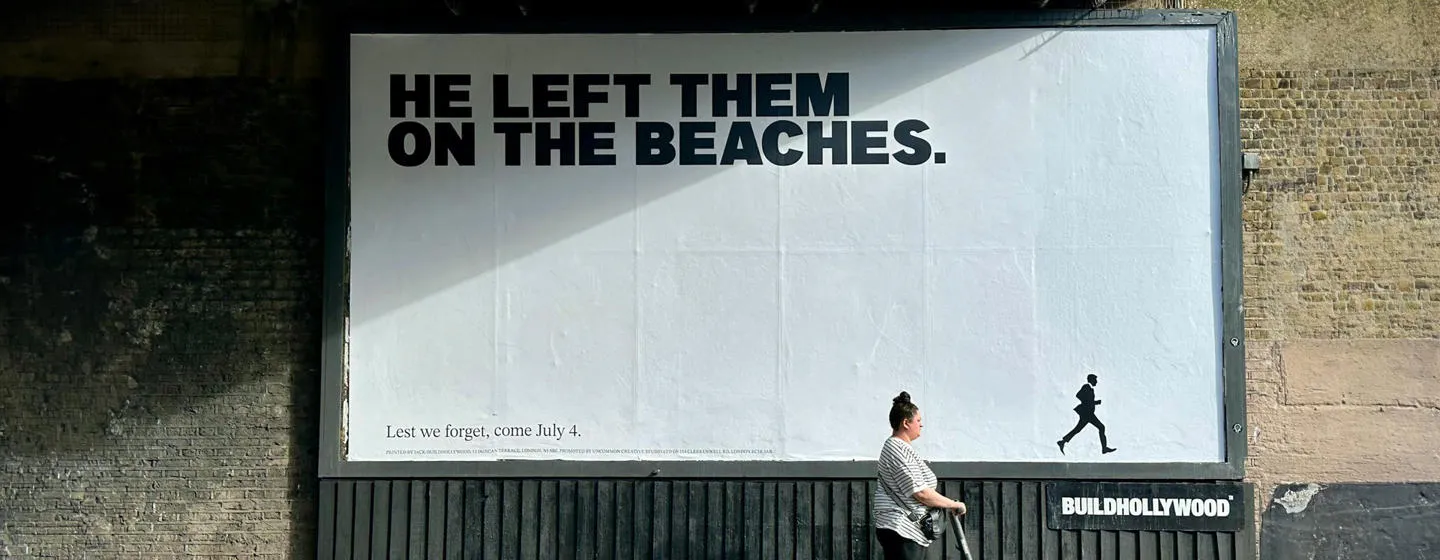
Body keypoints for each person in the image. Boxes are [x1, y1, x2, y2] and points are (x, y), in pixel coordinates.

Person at [873, 391, 967, 560]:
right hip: (901, 529)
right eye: (918, 421)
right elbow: (921, 492)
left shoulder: (902, 448)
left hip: (909, 531)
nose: (921, 425)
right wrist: (952, 504)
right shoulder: (896, 448)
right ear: (905, 423)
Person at [1057, 374, 1117, 454]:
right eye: (1095, 380)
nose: (1096, 382)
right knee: (1101, 427)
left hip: (1088, 414)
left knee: (1077, 429)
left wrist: (1094, 403)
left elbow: (1088, 401)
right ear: (1091, 380)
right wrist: (1093, 402)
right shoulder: (1086, 387)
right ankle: (1104, 448)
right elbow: (1078, 395)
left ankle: (1062, 442)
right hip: (1087, 414)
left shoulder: (1090, 389)